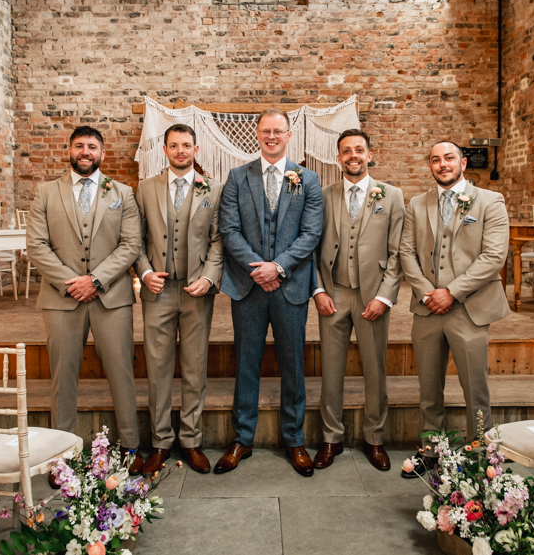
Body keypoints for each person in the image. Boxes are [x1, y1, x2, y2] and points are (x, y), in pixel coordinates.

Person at [25, 125, 144, 475]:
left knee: (122, 372)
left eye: (92, 146)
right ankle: (62, 453)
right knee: (63, 377)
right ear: (69, 150)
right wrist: (71, 283)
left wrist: (95, 280)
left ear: (102, 154)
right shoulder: (46, 193)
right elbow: (36, 245)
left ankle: (131, 446)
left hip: (111, 297)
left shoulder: (123, 192)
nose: (85, 152)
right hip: (61, 300)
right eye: (79, 146)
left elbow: (130, 245)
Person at [214, 108, 323, 477]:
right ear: (256, 135)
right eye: (265, 131)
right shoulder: (236, 177)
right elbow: (229, 230)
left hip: (290, 286)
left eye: (278, 131)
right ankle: (242, 438)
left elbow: (311, 234)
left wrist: (277, 267)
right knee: (246, 363)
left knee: (294, 364)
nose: (271, 136)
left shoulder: (307, 180)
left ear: (289, 135)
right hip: (247, 286)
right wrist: (259, 269)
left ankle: (294, 440)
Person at [399, 140, 510, 474]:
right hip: (427, 308)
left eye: (448, 158)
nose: (442, 164)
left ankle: (481, 456)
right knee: (429, 388)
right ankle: (432, 448)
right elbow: (406, 252)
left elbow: (494, 256)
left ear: (463, 162)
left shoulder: (491, 201)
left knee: (475, 388)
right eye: (435, 160)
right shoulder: (417, 204)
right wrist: (427, 293)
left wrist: (453, 292)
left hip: (470, 308)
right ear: (430, 166)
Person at [312, 129, 404, 472]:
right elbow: (311, 246)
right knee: (330, 371)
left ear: (369, 154)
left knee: (375, 370)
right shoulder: (323, 195)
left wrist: (384, 296)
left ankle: (375, 439)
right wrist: (318, 290)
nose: (353, 155)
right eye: (346, 151)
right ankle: (331, 438)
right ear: (338, 158)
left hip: (372, 298)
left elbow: (396, 254)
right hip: (333, 295)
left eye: (359, 150)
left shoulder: (391, 196)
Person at [134, 124, 224, 475]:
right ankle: (159, 443)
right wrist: (144, 272)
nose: (181, 151)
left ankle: (191, 440)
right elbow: (135, 238)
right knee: (157, 368)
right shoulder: (144, 189)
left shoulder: (213, 190)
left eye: (187, 145)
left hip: (196, 291)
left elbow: (219, 240)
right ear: (166, 151)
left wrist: (208, 277)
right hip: (157, 291)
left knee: (194, 367)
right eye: (174, 146)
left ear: (196, 150)